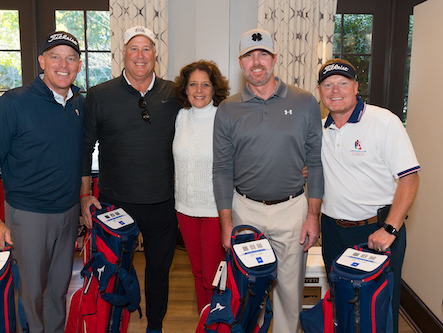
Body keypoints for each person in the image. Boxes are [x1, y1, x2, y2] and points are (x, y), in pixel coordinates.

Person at [213, 28, 323, 333]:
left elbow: (315, 162)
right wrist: (226, 223)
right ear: (240, 62)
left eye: (263, 54)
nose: (257, 61)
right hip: (245, 210)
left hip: (292, 209)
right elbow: (221, 168)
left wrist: (313, 216)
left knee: (289, 292)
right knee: (250, 291)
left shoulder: (304, 102)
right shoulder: (228, 109)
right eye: (249, 55)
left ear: (275, 59)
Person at [0, 31, 84, 333]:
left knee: (59, 291)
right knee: (31, 294)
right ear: (41, 61)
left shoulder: (78, 105)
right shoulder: (14, 103)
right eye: (55, 56)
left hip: (68, 212)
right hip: (29, 216)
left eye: (71, 58)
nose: (64, 64)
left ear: (79, 65)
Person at [80, 26, 180, 333]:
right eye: (133, 49)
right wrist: (85, 195)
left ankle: (155, 326)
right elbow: (84, 149)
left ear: (155, 55)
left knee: (159, 271)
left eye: (146, 49)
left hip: (162, 202)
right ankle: (113, 324)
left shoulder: (175, 93)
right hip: (115, 201)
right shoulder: (99, 95)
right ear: (122, 54)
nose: (140, 55)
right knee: (114, 271)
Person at [317, 58, 420, 332]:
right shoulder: (319, 129)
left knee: (377, 311)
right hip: (333, 232)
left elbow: (409, 178)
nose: (335, 90)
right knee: (342, 306)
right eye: (328, 85)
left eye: (342, 83)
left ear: (355, 87)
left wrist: (390, 228)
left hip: (376, 232)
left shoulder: (383, 121)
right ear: (320, 91)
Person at [173, 60, 229, 314]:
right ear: (185, 89)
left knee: (212, 276)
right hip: (184, 208)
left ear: (214, 89)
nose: (198, 89)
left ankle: (216, 323)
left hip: (214, 210)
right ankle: (204, 321)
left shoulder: (223, 117)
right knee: (197, 272)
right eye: (193, 84)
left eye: (205, 84)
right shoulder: (180, 117)